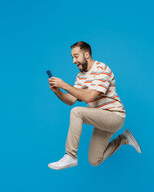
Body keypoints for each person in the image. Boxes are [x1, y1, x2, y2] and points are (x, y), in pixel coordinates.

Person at [48, 41, 141, 170]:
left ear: (86, 54)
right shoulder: (80, 76)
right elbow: (70, 100)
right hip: (100, 119)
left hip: (114, 116)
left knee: (77, 112)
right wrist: (57, 91)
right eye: (72, 57)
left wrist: (64, 85)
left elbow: (89, 96)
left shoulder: (102, 69)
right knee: (94, 160)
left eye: (76, 56)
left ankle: (70, 155)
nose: (74, 61)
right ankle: (124, 138)